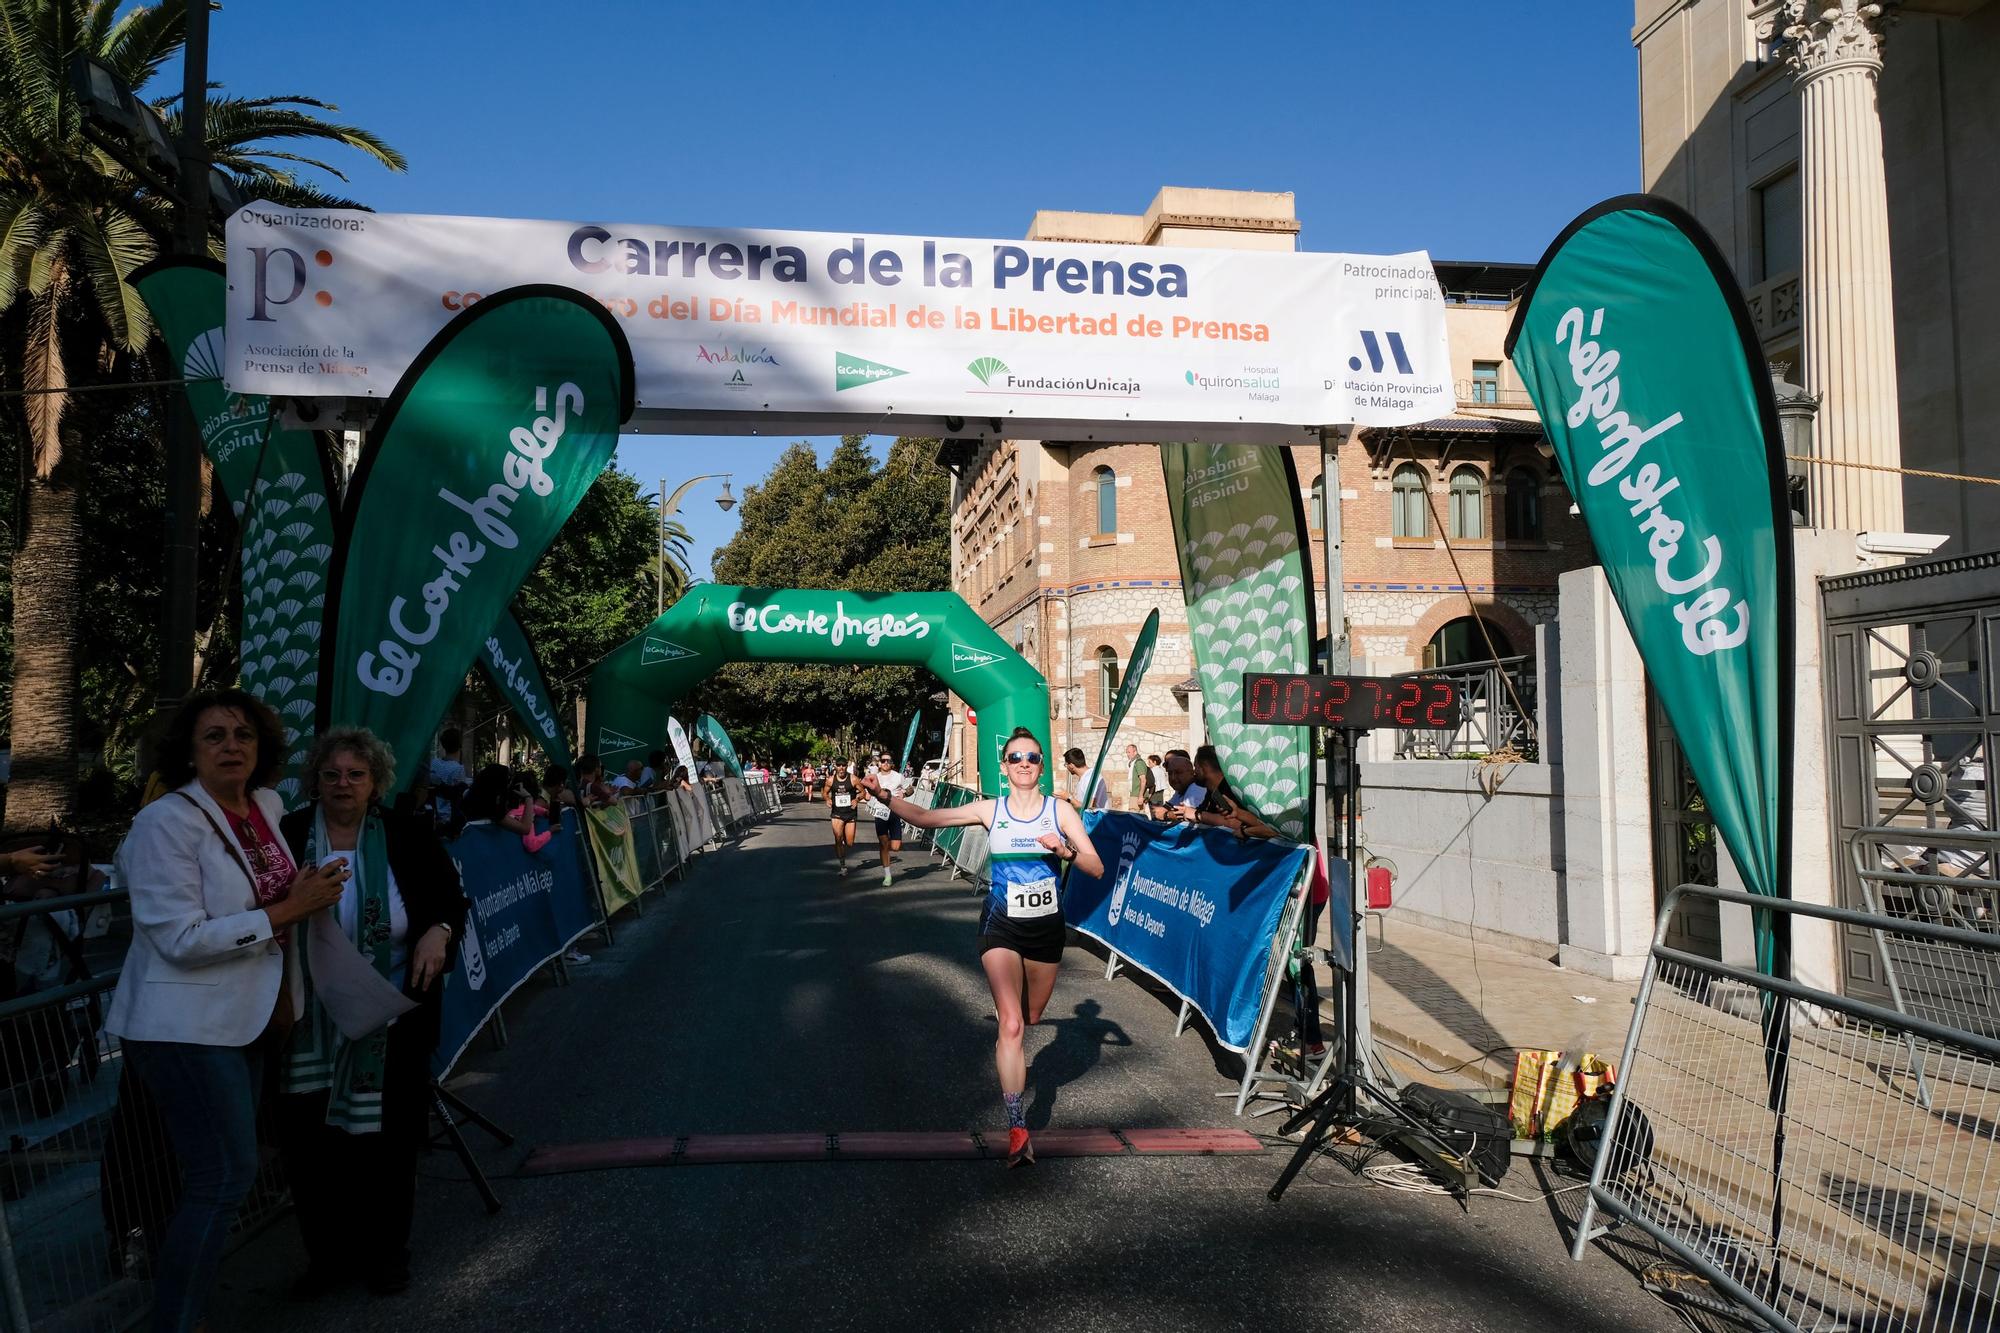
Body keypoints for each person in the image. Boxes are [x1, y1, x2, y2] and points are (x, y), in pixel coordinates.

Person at [104, 689, 347, 1332]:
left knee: (219, 1175)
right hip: (181, 1029)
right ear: (187, 750)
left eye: (243, 734)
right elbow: (177, 938)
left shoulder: (265, 804)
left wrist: (299, 896)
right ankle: (172, 1322)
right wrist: (287, 910)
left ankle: (180, 1306)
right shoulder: (163, 824)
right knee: (224, 1174)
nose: (231, 746)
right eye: (214, 736)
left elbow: (270, 894)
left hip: (252, 1019)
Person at [275, 727, 468, 1299]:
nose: (342, 784)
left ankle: (387, 1254)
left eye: (355, 775)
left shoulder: (406, 834)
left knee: (389, 1140)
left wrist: (439, 930)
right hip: (308, 1020)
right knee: (312, 1146)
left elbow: (450, 898)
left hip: (393, 1014)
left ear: (375, 783)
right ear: (315, 780)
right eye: (331, 774)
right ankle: (327, 1258)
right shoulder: (287, 835)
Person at [861, 727, 1103, 1168]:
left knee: (1032, 1017)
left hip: (1047, 929)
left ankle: (1018, 1029)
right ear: (1005, 767)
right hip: (1000, 925)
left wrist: (1064, 850)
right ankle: (1017, 1127)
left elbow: (1096, 866)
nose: (1025, 763)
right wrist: (886, 797)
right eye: (1016, 758)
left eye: (1032, 757)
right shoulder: (991, 810)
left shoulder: (1060, 811)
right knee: (1011, 1025)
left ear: (1042, 766)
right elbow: (929, 819)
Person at [1188, 744, 1277, 839]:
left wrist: (1198, 815)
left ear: (1205, 766)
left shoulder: (1235, 789)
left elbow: (1237, 822)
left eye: (1195, 766)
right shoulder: (1211, 792)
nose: (1194, 772)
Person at [867, 751, 907, 886]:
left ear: (892, 763)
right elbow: (867, 792)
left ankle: (886, 849)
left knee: (895, 847)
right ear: (879, 763)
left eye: (888, 761)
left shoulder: (898, 777)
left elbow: (910, 788)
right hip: (880, 813)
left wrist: (905, 793)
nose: (885, 763)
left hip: (895, 812)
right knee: (884, 844)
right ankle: (887, 876)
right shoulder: (874, 777)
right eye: (883, 761)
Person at [1147, 749, 1206, 823]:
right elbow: (1169, 806)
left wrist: (1166, 815)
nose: (1173, 777)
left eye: (1179, 772)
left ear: (1192, 773)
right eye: (1170, 773)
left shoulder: (1195, 788)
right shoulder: (1181, 789)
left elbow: (1185, 815)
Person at [426, 729, 469, 829]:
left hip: (433, 814)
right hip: (448, 818)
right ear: (460, 745)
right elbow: (459, 795)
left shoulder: (434, 763)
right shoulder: (458, 769)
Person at [825, 760, 861, 875]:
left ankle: (842, 843)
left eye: (843, 765)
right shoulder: (831, 780)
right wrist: (827, 799)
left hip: (850, 813)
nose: (841, 768)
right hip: (837, 813)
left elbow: (863, 792)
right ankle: (843, 865)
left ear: (846, 766)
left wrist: (857, 799)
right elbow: (824, 792)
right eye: (839, 765)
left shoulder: (853, 779)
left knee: (849, 843)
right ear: (835, 766)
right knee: (838, 839)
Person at [1058, 747, 1109, 812]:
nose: (1066, 767)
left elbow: (1091, 806)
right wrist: (1066, 799)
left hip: (1097, 820)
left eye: (1066, 764)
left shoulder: (1090, 778)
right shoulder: (1086, 777)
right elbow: (1080, 804)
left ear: (1071, 765)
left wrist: (1069, 797)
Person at [1123, 743, 1146, 813]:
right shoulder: (1133, 763)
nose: (1127, 754)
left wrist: (1141, 796)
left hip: (1137, 795)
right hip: (1135, 794)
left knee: (1133, 817)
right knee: (1139, 818)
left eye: (1129, 752)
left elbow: (1143, 780)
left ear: (1135, 752)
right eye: (1127, 752)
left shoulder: (1138, 763)